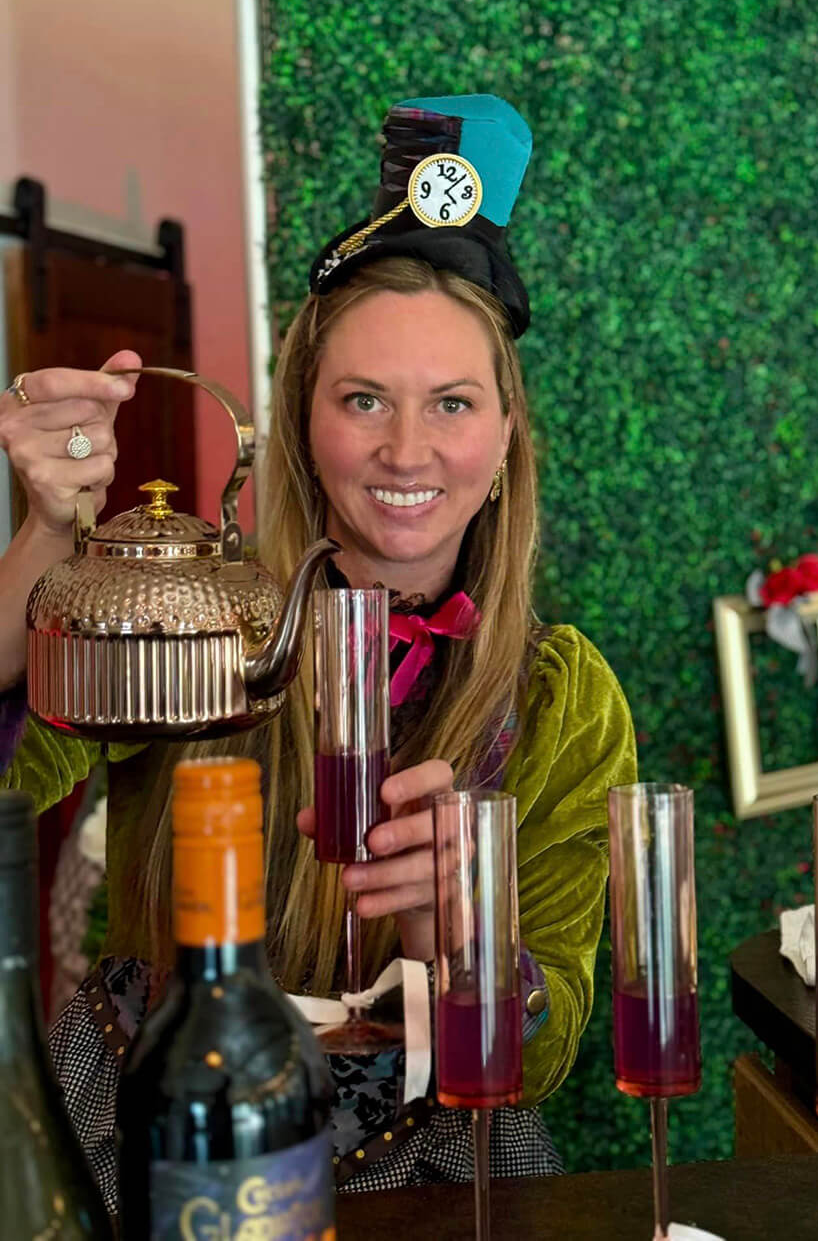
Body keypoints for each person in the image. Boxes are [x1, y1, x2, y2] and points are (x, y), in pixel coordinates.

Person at [0, 94, 637, 1202]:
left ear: (503, 439)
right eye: (362, 399)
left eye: (450, 402)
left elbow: (548, 1050)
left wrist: (462, 934)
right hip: (166, 1135)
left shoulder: (564, 695)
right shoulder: (193, 614)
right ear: (302, 421)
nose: (407, 448)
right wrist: (48, 533)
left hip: (437, 1165)